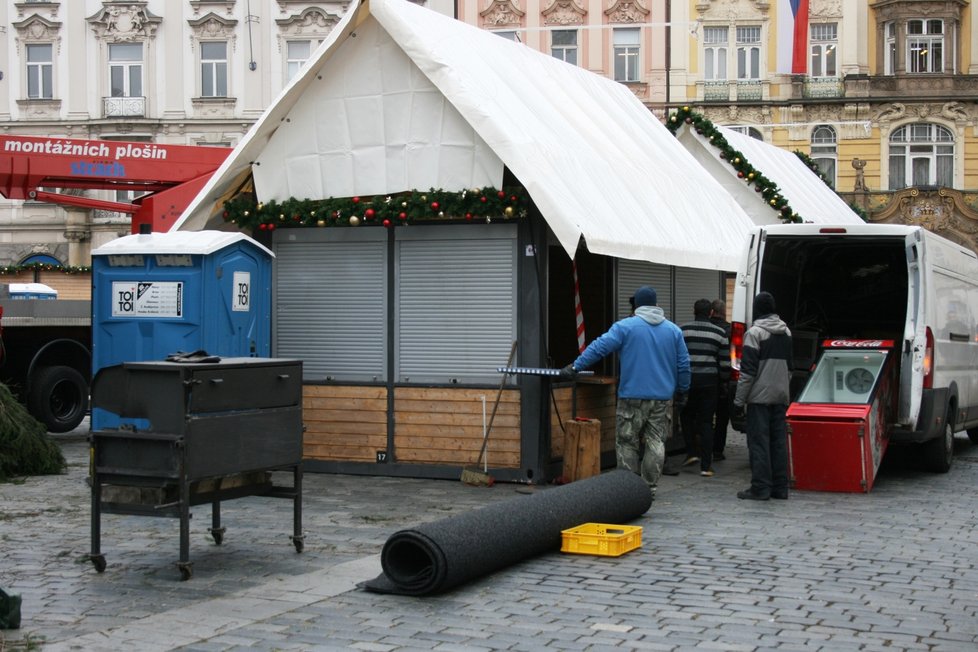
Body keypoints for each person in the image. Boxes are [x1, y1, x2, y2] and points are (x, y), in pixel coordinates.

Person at [563, 286, 690, 499]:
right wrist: (684, 390)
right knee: (655, 442)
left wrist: (575, 366)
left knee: (626, 441)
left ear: (636, 306)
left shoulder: (625, 327)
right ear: (656, 305)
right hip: (661, 399)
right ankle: (649, 488)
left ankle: (627, 490)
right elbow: (684, 364)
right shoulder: (673, 331)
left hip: (631, 396)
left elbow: (599, 347)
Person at [732, 291, 793, 501]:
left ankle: (760, 488)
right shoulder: (786, 333)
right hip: (780, 396)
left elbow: (747, 373)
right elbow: (790, 369)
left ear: (757, 309)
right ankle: (780, 488)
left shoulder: (755, 333)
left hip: (759, 399)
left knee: (759, 442)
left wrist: (739, 401)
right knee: (778, 442)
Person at [679, 299, 731, 477]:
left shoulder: (682, 330)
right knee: (707, 421)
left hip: (688, 381)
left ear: (694, 311)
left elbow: (678, 357)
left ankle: (692, 452)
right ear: (710, 313)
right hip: (710, 382)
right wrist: (723, 382)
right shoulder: (719, 333)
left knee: (686, 415)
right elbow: (725, 363)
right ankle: (706, 466)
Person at [710, 298, 733, 461]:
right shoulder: (730, 330)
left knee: (704, 415)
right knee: (722, 416)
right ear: (724, 312)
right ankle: (718, 449)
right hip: (723, 379)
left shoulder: (705, 327)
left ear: (712, 311)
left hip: (707, 377)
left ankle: (702, 447)